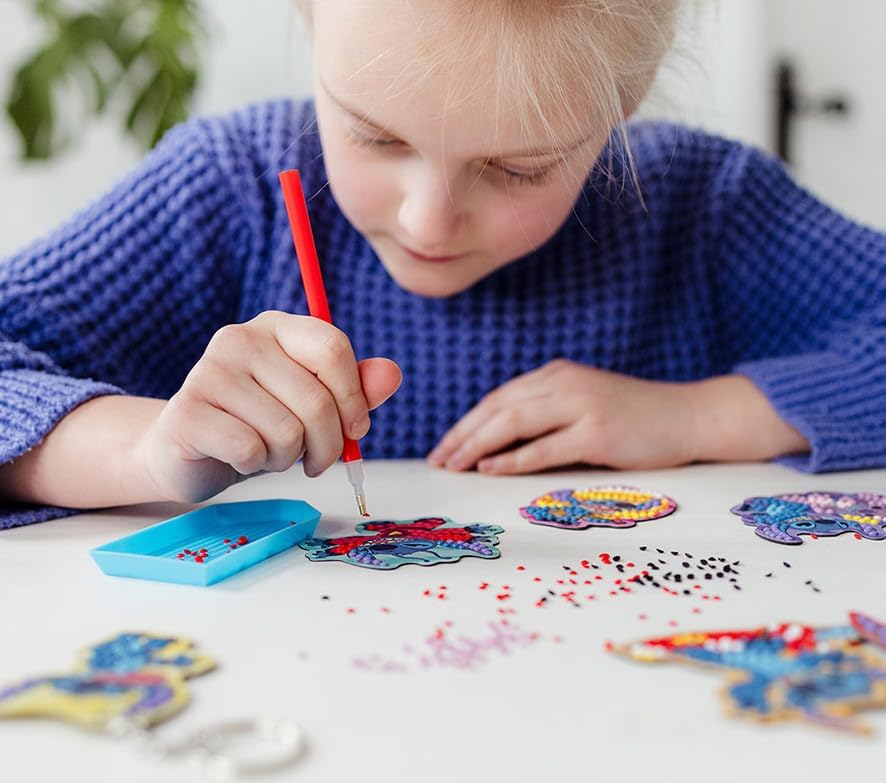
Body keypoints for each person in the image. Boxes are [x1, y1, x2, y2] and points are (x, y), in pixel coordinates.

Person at [1, 0, 884, 530]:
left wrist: (701, 419)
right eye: (375, 135)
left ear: (629, 92)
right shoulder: (224, 191)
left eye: (517, 167)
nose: (430, 218)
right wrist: (151, 452)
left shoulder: (706, 206)